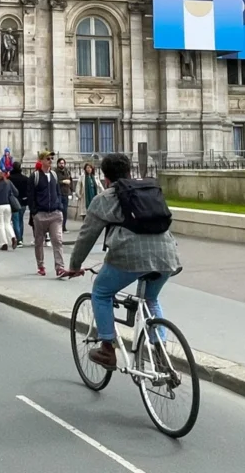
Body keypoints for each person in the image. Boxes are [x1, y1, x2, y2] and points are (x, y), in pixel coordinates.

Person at [64, 153, 182, 370]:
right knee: (150, 299)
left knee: (101, 291)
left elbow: (86, 236)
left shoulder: (104, 199)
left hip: (129, 256)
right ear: (129, 171)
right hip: (167, 255)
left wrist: (74, 266)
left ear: (106, 177)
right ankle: (161, 354)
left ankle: (107, 349)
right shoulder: (150, 190)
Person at [29, 150, 65, 277]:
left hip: (55, 213)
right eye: (48, 158)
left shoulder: (54, 175)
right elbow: (31, 195)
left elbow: (58, 192)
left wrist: (59, 206)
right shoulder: (35, 176)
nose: (51, 161)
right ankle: (41, 265)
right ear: (41, 160)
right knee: (39, 241)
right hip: (41, 214)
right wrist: (34, 212)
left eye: (51, 158)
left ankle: (60, 267)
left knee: (57, 240)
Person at [0, 170, 19, 250]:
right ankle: (13, 237)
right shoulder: (8, 182)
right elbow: (16, 192)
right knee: (7, 223)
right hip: (8, 205)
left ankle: (4, 243)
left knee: (0, 224)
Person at [9, 162, 29, 247]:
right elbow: (28, 190)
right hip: (23, 201)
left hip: (13, 202)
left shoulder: (10, 179)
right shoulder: (25, 179)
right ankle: (21, 238)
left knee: (15, 221)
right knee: (21, 220)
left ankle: (18, 239)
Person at [56, 158, 73, 232]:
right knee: (59, 211)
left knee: (65, 211)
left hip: (66, 193)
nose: (61, 165)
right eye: (60, 163)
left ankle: (63, 227)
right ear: (58, 164)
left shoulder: (67, 171)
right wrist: (63, 181)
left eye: (63, 163)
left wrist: (71, 190)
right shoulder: (55, 172)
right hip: (58, 194)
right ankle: (58, 227)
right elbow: (55, 182)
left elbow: (71, 181)